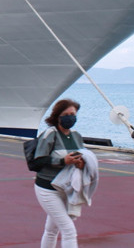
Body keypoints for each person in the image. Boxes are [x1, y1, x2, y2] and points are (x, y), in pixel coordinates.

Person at [32, 99, 88, 248]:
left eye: (73, 114)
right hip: (47, 189)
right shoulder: (50, 134)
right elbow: (39, 160)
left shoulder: (76, 135)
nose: (70, 117)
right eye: (66, 114)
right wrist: (62, 161)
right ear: (58, 116)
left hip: (65, 188)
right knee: (69, 230)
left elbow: (82, 155)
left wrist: (81, 163)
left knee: (52, 230)